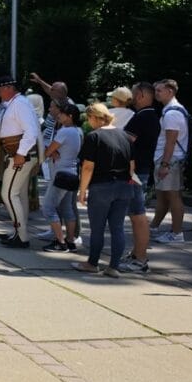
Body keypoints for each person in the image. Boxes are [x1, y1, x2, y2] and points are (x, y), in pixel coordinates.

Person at [73, 103, 136, 277]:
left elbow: (87, 167)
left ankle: (93, 263)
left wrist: (83, 190)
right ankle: (114, 266)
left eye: (89, 118)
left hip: (102, 187)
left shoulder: (94, 137)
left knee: (98, 228)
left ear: (94, 117)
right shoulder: (124, 136)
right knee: (117, 228)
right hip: (124, 187)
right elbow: (132, 166)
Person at [0, 75, 41, 248]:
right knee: (19, 195)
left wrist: (20, 153)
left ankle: (22, 236)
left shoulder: (19, 104)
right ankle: (20, 233)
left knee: (9, 194)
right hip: (20, 154)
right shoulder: (16, 103)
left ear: (8, 88)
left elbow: (31, 131)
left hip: (21, 156)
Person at [120, 81, 158, 273]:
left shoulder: (142, 117)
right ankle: (137, 254)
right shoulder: (149, 116)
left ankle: (141, 259)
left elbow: (125, 142)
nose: (131, 99)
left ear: (141, 95)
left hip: (136, 171)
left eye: (134, 94)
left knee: (137, 214)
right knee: (136, 213)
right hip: (140, 169)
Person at [149, 79, 189, 244]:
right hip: (169, 159)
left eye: (159, 90)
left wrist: (165, 164)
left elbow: (171, 142)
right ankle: (153, 227)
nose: (156, 93)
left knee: (173, 196)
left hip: (170, 160)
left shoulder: (172, 114)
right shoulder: (173, 110)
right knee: (164, 196)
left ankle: (177, 233)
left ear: (170, 91)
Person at [40, 103, 83, 252]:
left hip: (61, 175)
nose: (59, 115)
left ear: (70, 116)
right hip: (72, 174)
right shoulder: (78, 131)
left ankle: (60, 242)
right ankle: (70, 241)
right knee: (67, 209)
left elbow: (48, 150)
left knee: (48, 208)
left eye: (62, 114)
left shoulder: (65, 131)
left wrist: (50, 151)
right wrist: (53, 151)